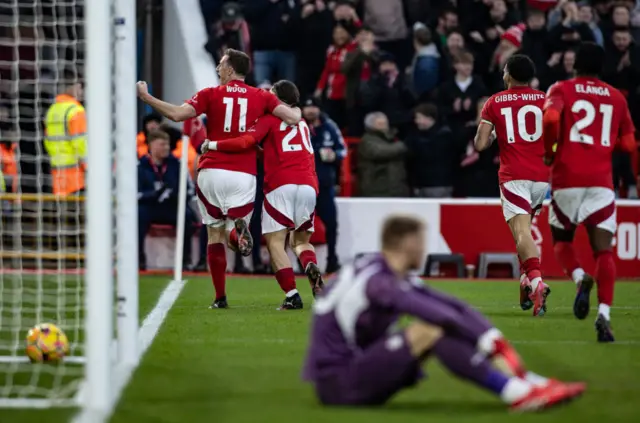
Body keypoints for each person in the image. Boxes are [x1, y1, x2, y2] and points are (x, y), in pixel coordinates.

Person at [302, 214, 586, 409]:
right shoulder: (378, 282)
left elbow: (452, 305)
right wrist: (491, 343)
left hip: (356, 370)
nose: (424, 249)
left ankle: (525, 384)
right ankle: (518, 392)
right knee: (430, 329)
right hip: (339, 385)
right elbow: (438, 314)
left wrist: (491, 336)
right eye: (421, 241)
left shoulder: (383, 270)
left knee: (439, 326)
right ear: (407, 244)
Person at [136, 48, 302, 309]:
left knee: (214, 235)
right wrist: (278, 112)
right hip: (243, 174)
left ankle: (220, 297)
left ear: (231, 69)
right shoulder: (261, 96)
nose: (217, 68)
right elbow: (294, 117)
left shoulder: (209, 94)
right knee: (233, 232)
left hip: (211, 171)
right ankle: (237, 233)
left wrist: (146, 97)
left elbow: (177, 115)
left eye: (221, 64)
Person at [543, 41, 637, 342]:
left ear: (575, 64)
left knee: (561, 240)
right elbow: (629, 144)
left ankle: (580, 277)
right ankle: (604, 315)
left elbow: (550, 118)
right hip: (601, 182)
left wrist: (550, 151)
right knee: (604, 251)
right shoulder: (616, 98)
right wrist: (608, 143)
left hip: (566, 178)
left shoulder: (560, 88)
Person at [201, 80, 324, 310]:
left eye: (271, 94)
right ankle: (310, 267)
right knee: (300, 242)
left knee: (276, 243)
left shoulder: (269, 119)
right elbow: (276, 148)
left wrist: (214, 145)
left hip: (280, 184)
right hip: (308, 185)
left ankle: (292, 294)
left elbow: (246, 141)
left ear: (277, 100)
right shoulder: (303, 123)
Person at [474, 54, 550, 317]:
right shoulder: (545, 100)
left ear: (507, 74)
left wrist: (493, 133)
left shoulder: (494, 102)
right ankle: (525, 281)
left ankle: (538, 281)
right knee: (525, 231)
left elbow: (480, 145)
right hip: (542, 176)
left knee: (521, 233)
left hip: (514, 175)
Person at [138, 130, 197, 270]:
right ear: (151, 146)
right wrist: (153, 194)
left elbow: (189, 189)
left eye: (167, 145)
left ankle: (185, 260)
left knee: (186, 216)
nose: (166, 148)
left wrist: (173, 194)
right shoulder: (140, 166)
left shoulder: (177, 164)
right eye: (162, 144)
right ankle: (139, 258)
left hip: (171, 206)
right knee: (138, 215)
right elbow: (135, 194)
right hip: (150, 206)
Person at [303, 96, 345, 273]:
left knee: (332, 224)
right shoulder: (297, 125)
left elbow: (342, 150)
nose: (311, 111)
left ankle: (332, 260)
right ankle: (302, 263)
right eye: (307, 108)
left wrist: (331, 155)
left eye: (314, 107)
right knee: (301, 226)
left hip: (325, 185)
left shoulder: (330, 126)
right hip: (303, 186)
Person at [43, 71, 86, 196]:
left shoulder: (52, 110)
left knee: (63, 214)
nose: (81, 92)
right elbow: (81, 144)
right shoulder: (76, 111)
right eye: (80, 87)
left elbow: (47, 140)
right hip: (77, 177)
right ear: (75, 86)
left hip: (57, 175)